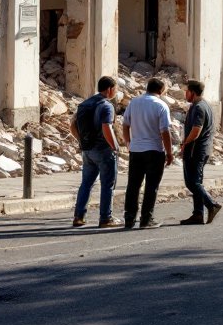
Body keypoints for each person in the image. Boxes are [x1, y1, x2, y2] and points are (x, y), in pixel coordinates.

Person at [121, 77, 174, 230]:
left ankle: (129, 218)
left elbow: (125, 124)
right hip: (154, 150)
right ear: (160, 90)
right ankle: (146, 218)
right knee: (151, 186)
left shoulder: (134, 102)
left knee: (133, 185)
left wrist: (128, 143)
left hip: (136, 150)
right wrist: (169, 152)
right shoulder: (161, 105)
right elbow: (165, 131)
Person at [71, 76, 121, 228]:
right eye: (116, 89)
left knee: (86, 183)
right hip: (104, 150)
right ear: (110, 89)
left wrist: (81, 141)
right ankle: (106, 218)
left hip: (87, 150)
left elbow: (72, 125)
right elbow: (107, 127)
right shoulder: (106, 106)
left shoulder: (85, 104)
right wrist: (114, 146)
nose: (116, 92)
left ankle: (79, 217)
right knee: (107, 184)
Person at [178, 80, 222, 226]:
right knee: (196, 182)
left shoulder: (199, 108)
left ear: (193, 92)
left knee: (193, 182)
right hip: (200, 149)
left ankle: (211, 204)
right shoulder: (201, 106)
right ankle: (198, 214)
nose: (185, 94)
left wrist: (185, 144)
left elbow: (196, 130)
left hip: (196, 150)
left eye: (187, 91)